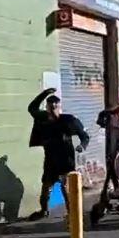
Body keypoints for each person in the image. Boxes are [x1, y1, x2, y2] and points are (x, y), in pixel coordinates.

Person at [27, 88, 89, 221]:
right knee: (46, 187)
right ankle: (44, 210)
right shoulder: (43, 118)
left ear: (59, 107)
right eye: (50, 107)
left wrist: (82, 146)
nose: (53, 110)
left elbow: (84, 136)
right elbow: (32, 108)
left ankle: (72, 214)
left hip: (66, 159)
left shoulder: (68, 120)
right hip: (50, 159)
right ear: (47, 108)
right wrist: (45, 93)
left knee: (66, 187)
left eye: (55, 107)